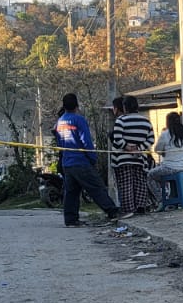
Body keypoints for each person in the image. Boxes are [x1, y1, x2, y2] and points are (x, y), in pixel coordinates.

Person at [54, 93, 124, 227]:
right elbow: (86, 141)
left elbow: (59, 142)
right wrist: (92, 157)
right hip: (80, 161)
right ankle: (112, 211)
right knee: (96, 187)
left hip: (67, 162)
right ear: (76, 105)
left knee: (71, 192)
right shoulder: (78, 120)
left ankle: (70, 219)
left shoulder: (60, 121)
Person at [111, 96, 157, 214]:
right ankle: (141, 207)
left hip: (122, 159)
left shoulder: (121, 120)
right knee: (140, 182)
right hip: (139, 159)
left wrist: (127, 147)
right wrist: (138, 148)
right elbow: (151, 139)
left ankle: (129, 210)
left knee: (126, 184)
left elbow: (117, 139)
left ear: (125, 107)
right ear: (137, 107)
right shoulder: (146, 121)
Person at [148, 111, 183, 205]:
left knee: (150, 175)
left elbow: (157, 149)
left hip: (171, 167)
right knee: (170, 176)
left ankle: (162, 200)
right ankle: (174, 198)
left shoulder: (166, 134)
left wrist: (165, 153)